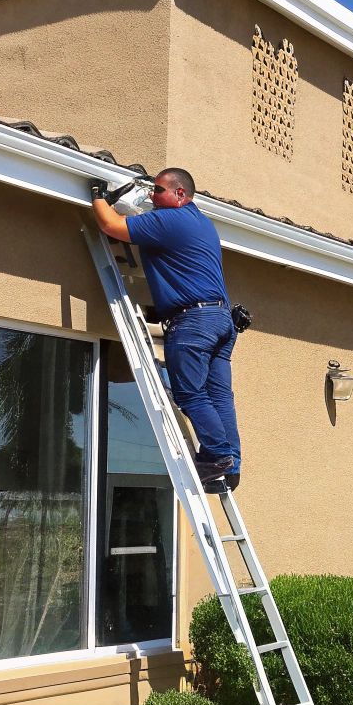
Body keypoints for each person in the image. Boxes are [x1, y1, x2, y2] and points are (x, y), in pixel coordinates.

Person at [90, 168, 240, 491]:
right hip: (219, 320)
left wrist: (96, 194)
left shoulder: (172, 221)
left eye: (158, 191)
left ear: (180, 194)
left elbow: (110, 225)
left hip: (193, 324)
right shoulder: (202, 223)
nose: (151, 197)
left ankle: (217, 456)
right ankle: (232, 467)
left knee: (190, 394)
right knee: (219, 397)